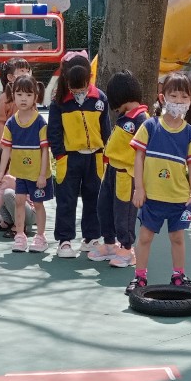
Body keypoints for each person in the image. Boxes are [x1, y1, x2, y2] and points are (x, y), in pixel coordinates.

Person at [128, 71, 191, 295]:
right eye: (174, 96)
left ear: (190, 101)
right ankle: (140, 277)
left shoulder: (189, 134)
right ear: (163, 98)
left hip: (178, 199)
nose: (179, 101)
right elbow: (138, 157)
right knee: (145, 237)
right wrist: (139, 188)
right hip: (152, 197)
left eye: (184, 97)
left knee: (177, 238)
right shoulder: (150, 127)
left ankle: (178, 275)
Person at [47, 59, 111, 258]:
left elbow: (106, 129)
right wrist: (60, 155)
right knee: (66, 200)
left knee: (94, 198)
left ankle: (91, 237)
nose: (78, 92)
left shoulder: (100, 98)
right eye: (73, 89)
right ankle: (64, 241)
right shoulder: (59, 101)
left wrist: (105, 154)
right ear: (66, 81)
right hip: (69, 158)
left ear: (89, 79)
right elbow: (54, 132)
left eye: (81, 87)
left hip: (95, 157)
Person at [91, 69, 149, 267]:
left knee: (124, 213)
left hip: (127, 174)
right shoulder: (125, 117)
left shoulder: (141, 119)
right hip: (111, 170)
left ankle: (126, 249)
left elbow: (145, 151)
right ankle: (109, 243)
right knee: (104, 207)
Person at [0, 73, 53, 253]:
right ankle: (20, 235)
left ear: (35, 97)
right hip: (20, 173)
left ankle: (41, 237)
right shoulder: (11, 123)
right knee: (19, 201)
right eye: (19, 94)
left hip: (37, 175)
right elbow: (6, 149)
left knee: (38, 204)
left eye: (28, 95)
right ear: (13, 95)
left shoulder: (40, 122)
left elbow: (45, 151)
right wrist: (1, 172)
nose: (23, 99)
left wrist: (42, 175)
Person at [0, 57, 34, 141]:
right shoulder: (4, 98)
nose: (27, 74)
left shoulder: (31, 96)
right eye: (22, 71)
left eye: (28, 71)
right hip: (11, 142)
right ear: (10, 77)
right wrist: (2, 145)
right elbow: (0, 123)